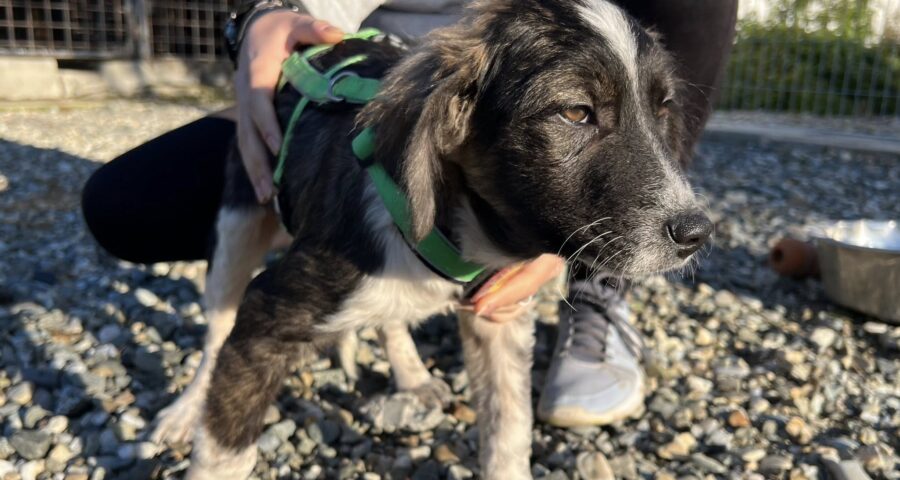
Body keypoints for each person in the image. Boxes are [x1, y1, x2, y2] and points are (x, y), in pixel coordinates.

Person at [82, 0, 738, 427]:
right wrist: (269, 15)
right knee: (127, 205)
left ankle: (596, 291)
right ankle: (222, 357)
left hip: (538, 72)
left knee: (463, 245)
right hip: (387, 72)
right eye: (579, 112)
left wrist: (552, 239)